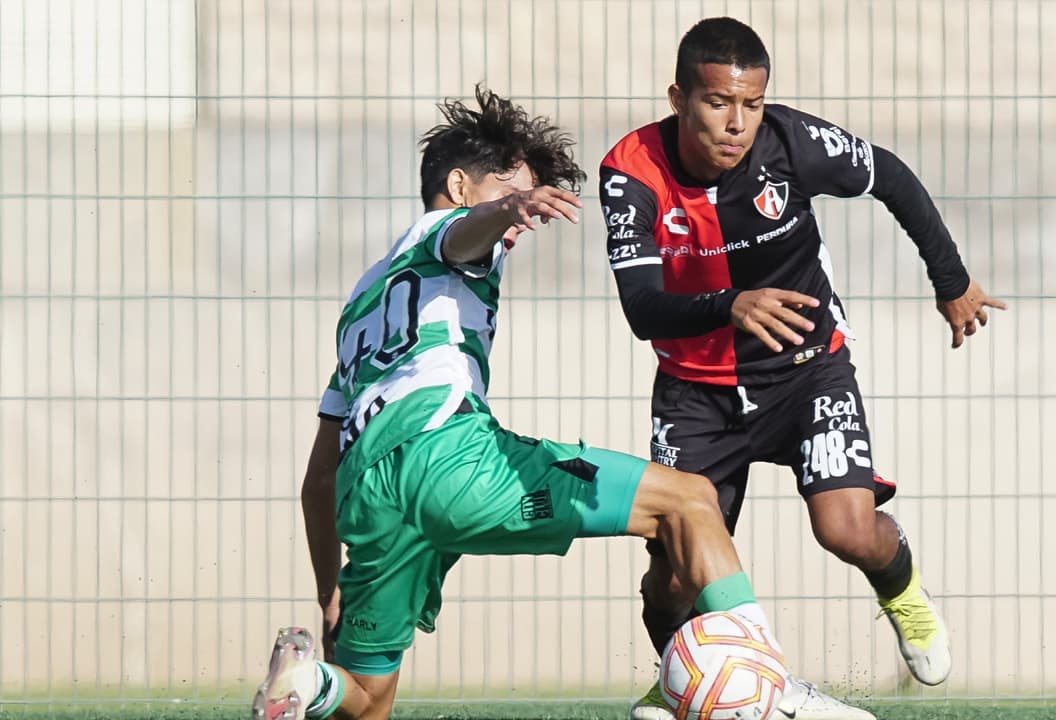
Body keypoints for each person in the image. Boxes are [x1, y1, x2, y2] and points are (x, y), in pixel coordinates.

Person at [252, 86, 787, 720]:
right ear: (458, 186)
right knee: (691, 500)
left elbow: (319, 478)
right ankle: (774, 683)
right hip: (448, 459)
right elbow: (462, 236)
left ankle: (309, 681)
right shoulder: (444, 233)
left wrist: (328, 592)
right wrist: (510, 207)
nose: (518, 226)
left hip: (369, 495)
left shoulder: (363, 303)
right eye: (506, 188)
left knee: (367, 699)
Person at [599, 17, 1007, 720]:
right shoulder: (630, 169)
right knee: (670, 573)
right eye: (718, 103)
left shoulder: (793, 142)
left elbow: (891, 177)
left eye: (751, 105)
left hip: (807, 372)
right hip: (697, 394)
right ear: (678, 98)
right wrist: (731, 304)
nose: (737, 124)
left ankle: (904, 593)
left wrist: (952, 280)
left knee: (847, 529)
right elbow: (642, 308)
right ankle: (682, 676)